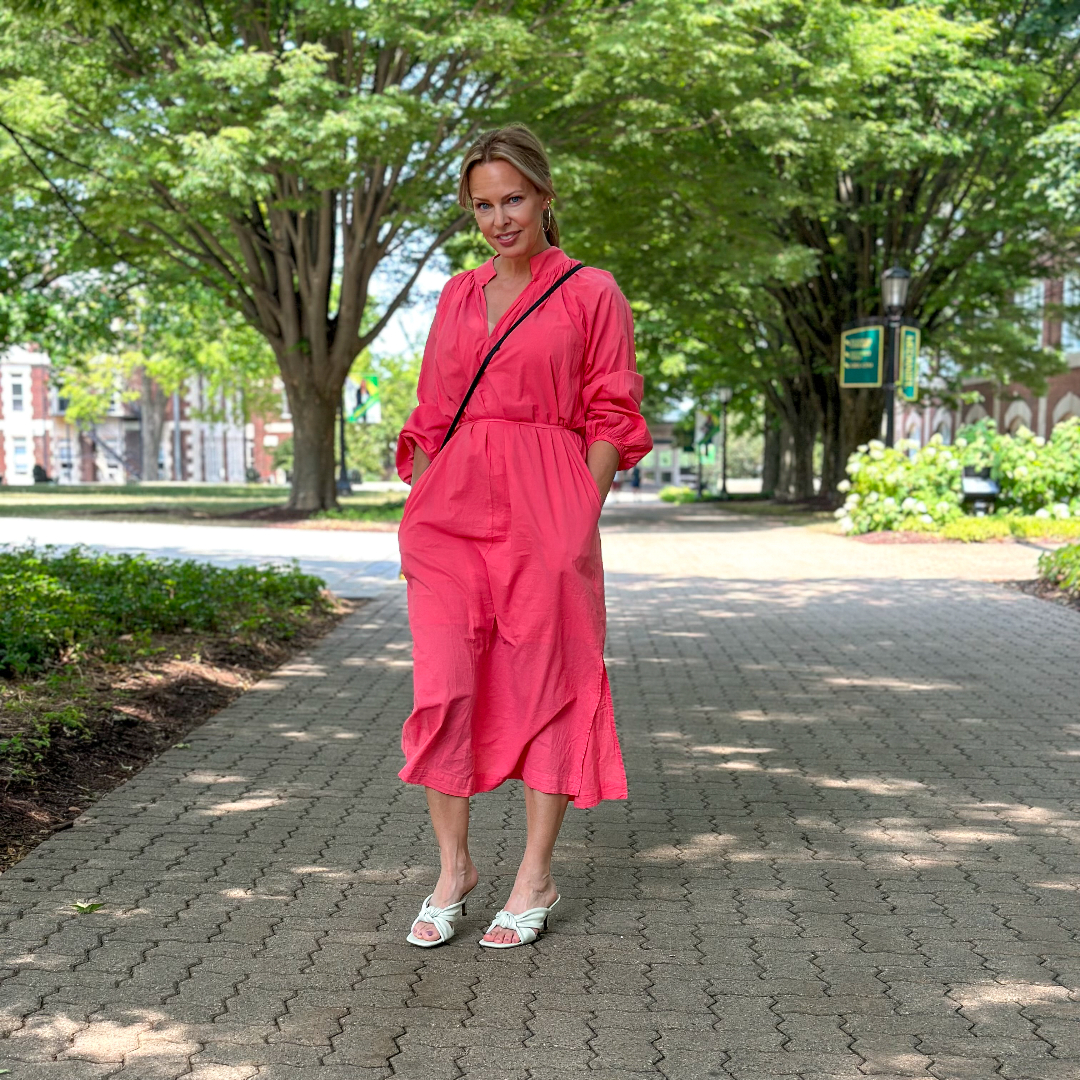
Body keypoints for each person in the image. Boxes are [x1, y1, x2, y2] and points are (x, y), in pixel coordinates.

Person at [395, 124, 652, 949]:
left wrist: (581, 508)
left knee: (547, 680)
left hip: (548, 505)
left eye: (513, 200)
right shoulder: (456, 295)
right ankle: (453, 868)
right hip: (452, 510)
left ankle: (535, 874)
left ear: (544, 196)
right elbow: (433, 409)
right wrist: (425, 492)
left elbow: (614, 411)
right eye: (483, 206)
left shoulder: (591, 291)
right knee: (443, 684)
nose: (500, 219)